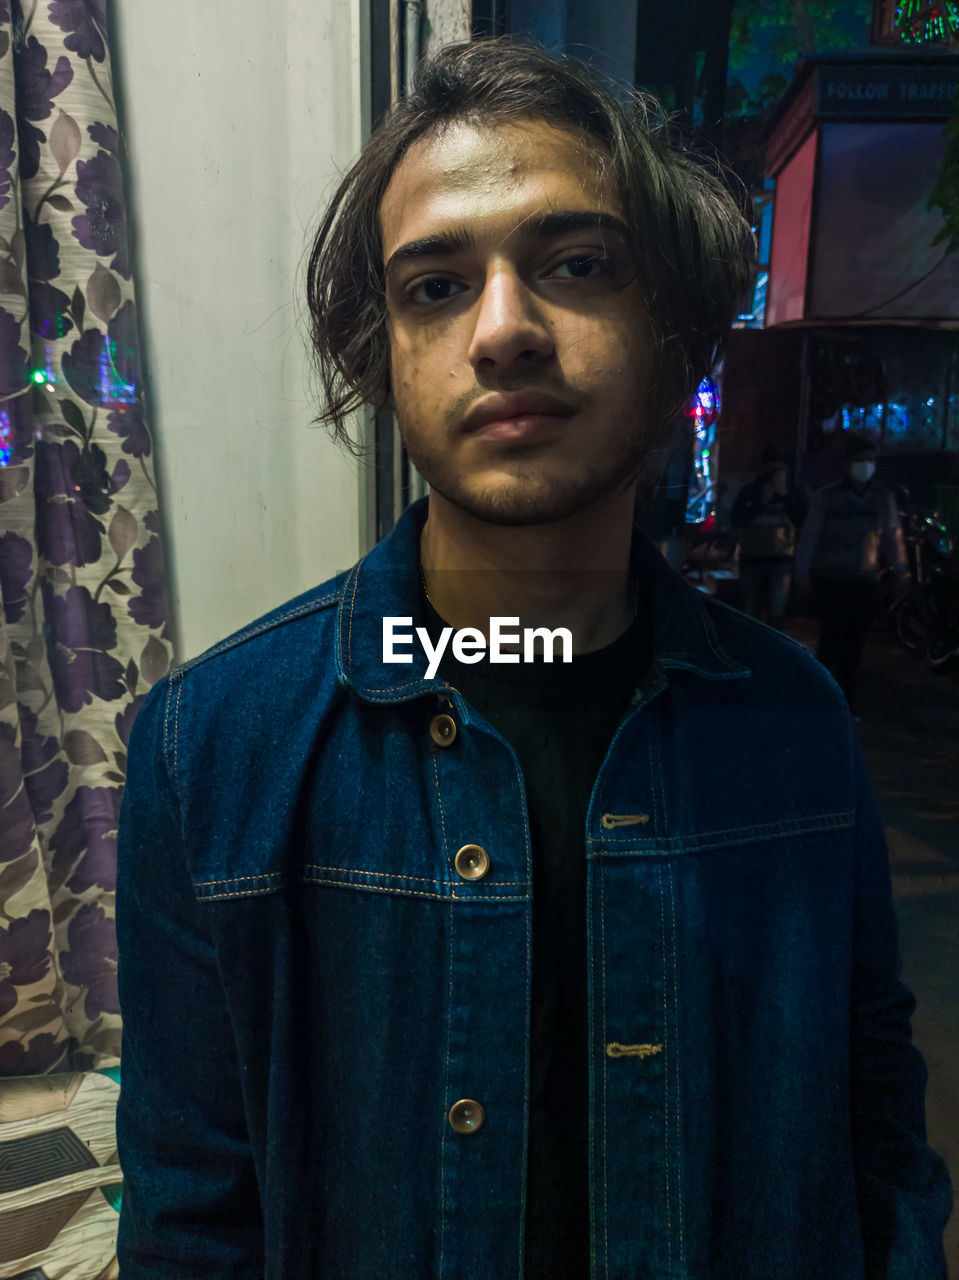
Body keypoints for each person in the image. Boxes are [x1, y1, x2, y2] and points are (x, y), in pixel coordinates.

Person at [115, 38, 952, 1280]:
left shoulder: (791, 721)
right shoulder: (211, 748)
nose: (503, 329)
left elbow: (869, 1116)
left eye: (573, 264)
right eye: (434, 287)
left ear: (670, 327)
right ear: (380, 358)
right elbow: (192, 1214)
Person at [795, 431, 910, 716]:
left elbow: (892, 538)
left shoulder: (882, 499)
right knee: (831, 640)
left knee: (854, 645)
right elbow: (810, 536)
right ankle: (821, 699)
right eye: (861, 459)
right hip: (831, 579)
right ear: (848, 463)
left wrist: (901, 573)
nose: (866, 465)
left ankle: (844, 702)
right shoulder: (827, 496)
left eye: (871, 460)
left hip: (863, 580)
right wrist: (801, 573)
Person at [731, 447, 807, 629]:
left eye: (779, 470)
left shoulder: (792, 494)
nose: (775, 475)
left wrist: (785, 497)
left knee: (777, 612)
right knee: (750, 612)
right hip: (752, 560)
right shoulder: (750, 491)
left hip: (781, 561)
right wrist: (760, 503)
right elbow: (737, 520)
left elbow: (801, 518)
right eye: (771, 469)